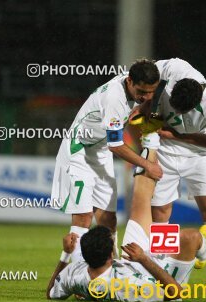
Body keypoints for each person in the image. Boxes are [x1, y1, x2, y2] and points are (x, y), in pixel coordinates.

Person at [46, 132, 206, 302]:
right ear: (111, 256)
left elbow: (51, 294)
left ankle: (150, 137)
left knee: (140, 191)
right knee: (191, 237)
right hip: (159, 273)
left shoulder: (76, 273)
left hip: (131, 258)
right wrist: (143, 259)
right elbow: (175, 293)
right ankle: (204, 251)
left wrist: (66, 254)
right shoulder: (126, 287)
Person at [50, 59, 163, 261]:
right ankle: (76, 275)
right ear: (129, 81)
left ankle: (111, 268)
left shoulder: (139, 85)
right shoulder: (114, 98)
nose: (146, 96)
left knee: (109, 219)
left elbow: (144, 101)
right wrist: (147, 164)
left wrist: (146, 110)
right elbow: (116, 145)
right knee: (84, 217)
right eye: (142, 92)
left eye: (151, 91)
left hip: (100, 151)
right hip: (80, 151)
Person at [151, 58, 206, 290]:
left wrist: (178, 136)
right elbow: (144, 72)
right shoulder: (173, 68)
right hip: (164, 150)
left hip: (198, 154)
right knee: (160, 215)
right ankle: (165, 275)